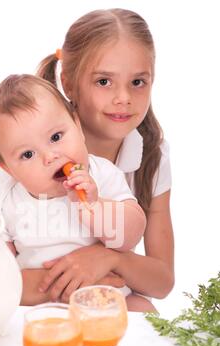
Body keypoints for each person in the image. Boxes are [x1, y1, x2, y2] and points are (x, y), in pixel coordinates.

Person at [36, 8, 174, 311]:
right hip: (43, 302)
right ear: (68, 83)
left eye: (138, 82)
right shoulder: (34, 151)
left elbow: (162, 281)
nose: (123, 97)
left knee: (142, 307)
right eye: (104, 82)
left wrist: (110, 257)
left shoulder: (152, 157)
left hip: (112, 304)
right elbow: (3, 261)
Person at [0, 74, 146, 306]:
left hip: (108, 304)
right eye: (28, 154)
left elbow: (132, 234)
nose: (50, 157)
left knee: (143, 307)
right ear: (9, 169)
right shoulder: (6, 200)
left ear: (77, 126)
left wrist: (94, 205)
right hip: (40, 310)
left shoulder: (101, 174)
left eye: (56, 137)